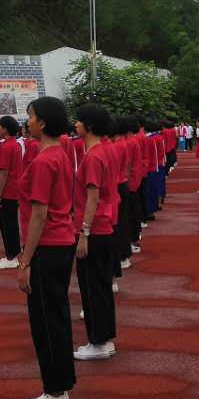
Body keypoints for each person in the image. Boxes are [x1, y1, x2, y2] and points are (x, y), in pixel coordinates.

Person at [16, 97, 77, 399]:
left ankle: (55, 392)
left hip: (47, 247)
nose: (27, 121)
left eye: (31, 116)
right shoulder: (58, 153)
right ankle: (58, 387)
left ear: (44, 122)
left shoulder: (45, 161)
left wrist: (24, 260)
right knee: (54, 316)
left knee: (46, 320)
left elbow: (39, 214)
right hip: (59, 242)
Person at [73, 103, 118, 360]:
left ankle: (99, 341)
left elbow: (92, 197)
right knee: (100, 286)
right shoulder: (103, 150)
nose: (76, 125)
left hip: (96, 228)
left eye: (79, 121)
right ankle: (104, 339)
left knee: (93, 287)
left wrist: (84, 232)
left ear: (88, 125)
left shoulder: (93, 156)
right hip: (104, 225)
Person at [0, 115, 25, 269]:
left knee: (7, 224)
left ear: (5, 128)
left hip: (7, 191)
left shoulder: (7, 147)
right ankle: (13, 253)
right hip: (12, 189)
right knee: (10, 223)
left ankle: (11, 256)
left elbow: (4, 172)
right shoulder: (14, 144)